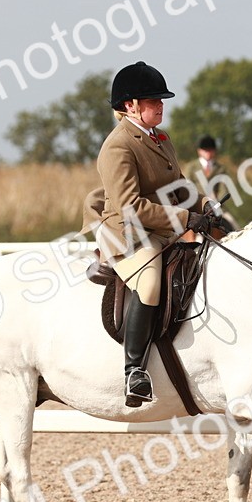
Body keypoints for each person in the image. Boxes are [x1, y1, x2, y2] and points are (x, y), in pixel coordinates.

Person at [82, 61, 211, 407]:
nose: (161, 104)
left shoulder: (161, 140)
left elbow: (179, 186)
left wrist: (206, 206)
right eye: (153, 100)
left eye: (161, 99)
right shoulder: (118, 146)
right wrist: (185, 218)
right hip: (127, 232)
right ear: (130, 106)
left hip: (160, 225)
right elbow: (130, 207)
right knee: (151, 281)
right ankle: (134, 372)